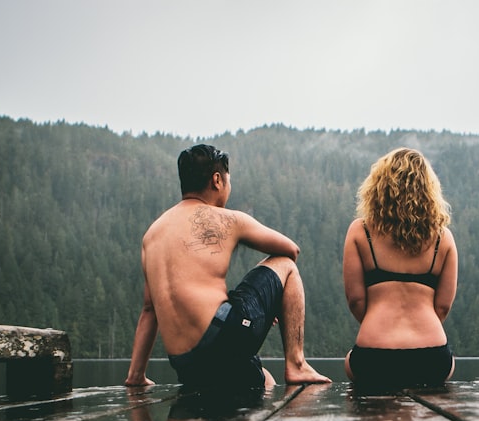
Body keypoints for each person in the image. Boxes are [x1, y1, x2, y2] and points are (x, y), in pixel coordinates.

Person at [124, 144, 330, 390]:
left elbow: (149, 310)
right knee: (285, 266)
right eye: (228, 180)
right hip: (223, 337)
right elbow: (290, 250)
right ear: (217, 180)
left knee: (264, 380)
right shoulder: (228, 219)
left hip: (186, 364)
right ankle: (296, 364)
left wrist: (136, 375)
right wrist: (271, 300)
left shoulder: (152, 235)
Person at [342, 147, 458, 390]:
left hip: (374, 358)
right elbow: (443, 306)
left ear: (379, 186)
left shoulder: (360, 232)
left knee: (350, 363)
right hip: (432, 359)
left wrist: (380, 324)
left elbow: (355, 301)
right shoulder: (443, 238)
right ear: (429, 191)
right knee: (447, 367)